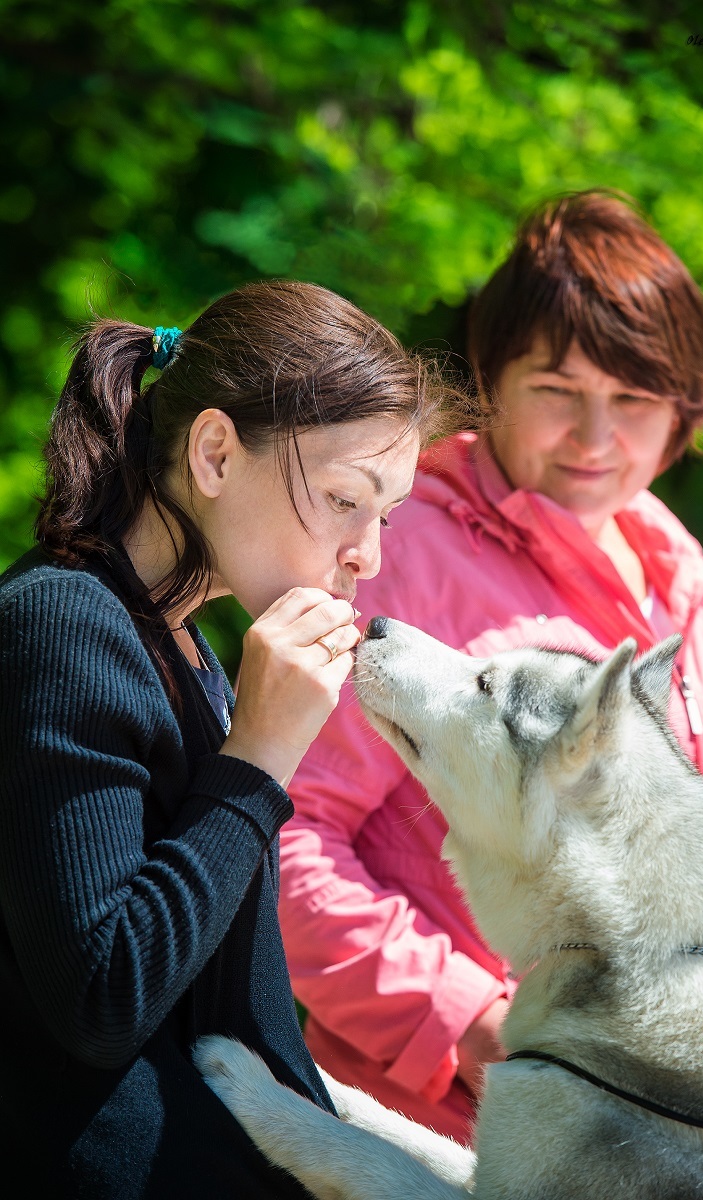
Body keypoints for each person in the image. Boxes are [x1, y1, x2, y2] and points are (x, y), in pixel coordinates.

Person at [278, 190, 703, 1146]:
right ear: (492, 380)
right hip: (427, 1132)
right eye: (558, 390)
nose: (596, 439)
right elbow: (283, 836)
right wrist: (479, 1029)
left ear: (684, 413)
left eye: (635, 400)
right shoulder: (393, 553)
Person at [0, 280, 460, 1197]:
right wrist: (257, 760)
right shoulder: (62, 623)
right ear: (214, 451)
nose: (368, 553)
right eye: (343, 499)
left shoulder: (184, 645)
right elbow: (102, 997)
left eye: (387, 514)